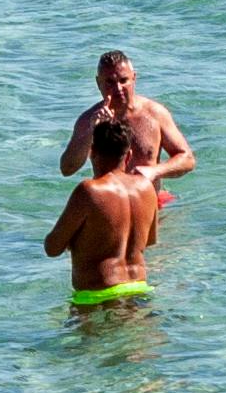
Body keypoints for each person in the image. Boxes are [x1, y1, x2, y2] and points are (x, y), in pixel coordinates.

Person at [44, 113, 161, 308]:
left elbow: (52, 248)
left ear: (92, 152)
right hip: (139, 290)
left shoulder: (89, 191)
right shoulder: (146, 187)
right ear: (129, 155)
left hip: (97, 298)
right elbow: (150, 240)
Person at [58, 48, 194, 186]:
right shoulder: (88, 120)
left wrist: (155, 171)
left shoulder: (154, 114)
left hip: (148, 200)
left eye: (123, 80)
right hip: (111, 201)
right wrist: (91, 132)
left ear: (134, 78)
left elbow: (187, 159)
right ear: (99, 83)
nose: (118, 88)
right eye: (109, 82)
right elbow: (67, 169)